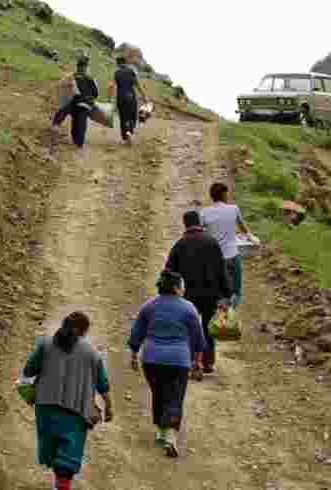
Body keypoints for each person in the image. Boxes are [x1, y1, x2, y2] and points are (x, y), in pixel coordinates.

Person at [23, 311, 113, 490]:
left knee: (52, 447)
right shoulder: (92, 353)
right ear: (83, 331)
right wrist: (109, 407)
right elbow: (103, 385)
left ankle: (59, 484)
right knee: (68, 454)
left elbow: (28, 371)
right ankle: (61, 485)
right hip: (76, 409)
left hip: (45, 406)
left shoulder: (46, 344)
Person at [127, 270, 207, 458]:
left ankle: (161, 430)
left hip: (152, 360)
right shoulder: (188, 308)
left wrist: (133, 355)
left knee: (159, 392)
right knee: (175, 395)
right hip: (178, 360)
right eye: (182, 285)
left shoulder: (149, 307)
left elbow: (136, 333)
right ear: (176, 288)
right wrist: (197, 362)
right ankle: (170, 434)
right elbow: (198, 339)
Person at [164, 210, 232, 375]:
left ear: (185, 224)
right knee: (208, 328)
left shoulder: (180, 245)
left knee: (188, 329)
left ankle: (189, 361)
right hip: (211, 294)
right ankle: (207, 362)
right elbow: (221, 269)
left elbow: (168, 272)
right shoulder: (212, 242)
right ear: (199, 223)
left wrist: (169, 293)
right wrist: (227, 292)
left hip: (187, 296)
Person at [200, 183, 253, 308]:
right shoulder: (233, 209)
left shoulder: (204, 213)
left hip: (213, 259)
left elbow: (201, 234)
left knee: (215, 290)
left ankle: (218, 315)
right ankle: (230, 314)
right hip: (232, 257)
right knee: (236, 292)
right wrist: (253, 239)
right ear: (224, 194)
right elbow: (245, 230)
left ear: (212, 196)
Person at [53, 53, 100, 148]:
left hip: (73, 104)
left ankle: (55, 126)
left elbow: (62, 88)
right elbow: (95, 94)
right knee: (80, 126)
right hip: (84, 105)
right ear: (85, 67)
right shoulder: (90, 79)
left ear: (77, 66)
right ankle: (78, 144)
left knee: (74, 123)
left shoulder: (71, 77)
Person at [113, 56, 146, 143]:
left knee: (123, 117)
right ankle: (129, 132)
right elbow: (137, 84)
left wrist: (111, 100)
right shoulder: (131, 71)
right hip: (130, 96)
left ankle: (126, 134)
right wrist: (144, 96)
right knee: (132, 116)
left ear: (118, 64)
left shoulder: (116, 73)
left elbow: (113, 86)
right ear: (125, 63)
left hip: (120, 98)